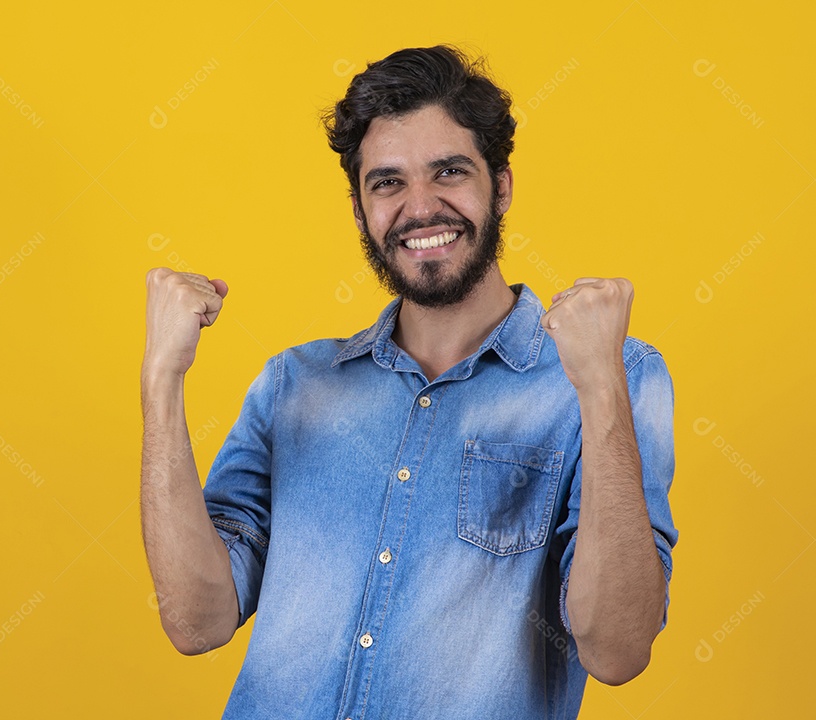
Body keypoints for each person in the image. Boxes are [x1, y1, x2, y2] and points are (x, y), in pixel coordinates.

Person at [140, 44, 678, 719]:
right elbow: (197, 622)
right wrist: (162, 383)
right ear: (361, 207)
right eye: (388, 182)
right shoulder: (294, 385)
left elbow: (619, 649)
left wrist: (598, 389)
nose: (421, 208)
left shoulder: (616, 376)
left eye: (448, 171)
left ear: (501, 185)